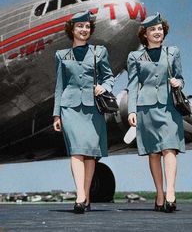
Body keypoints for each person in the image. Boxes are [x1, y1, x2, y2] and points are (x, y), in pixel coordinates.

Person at [53, 11, 114, 214]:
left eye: (87, 27)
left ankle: (86, 195)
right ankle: (80, 195)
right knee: (76, 150)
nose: (84, 30)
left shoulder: (99, 52)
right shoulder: (61, 56)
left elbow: (109, 77)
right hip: (70, 108)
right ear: (72, 29)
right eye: (80, 26)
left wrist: (104, 88)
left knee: (91, 153)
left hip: (93, 108)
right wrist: (56, 114)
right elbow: (59, 87)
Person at [127, 13, 185, 213]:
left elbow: (180, 77)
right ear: (145, 34)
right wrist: (131, 111)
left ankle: (170, 192)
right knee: (153, 153)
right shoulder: (134, 57)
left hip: (170, 107)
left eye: (160, 29)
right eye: (153, 29)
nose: (157, 32)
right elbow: (133, 86)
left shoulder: (172, 52)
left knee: (170, 148)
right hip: (146, 108)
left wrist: (179, 82)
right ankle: (159, 193)